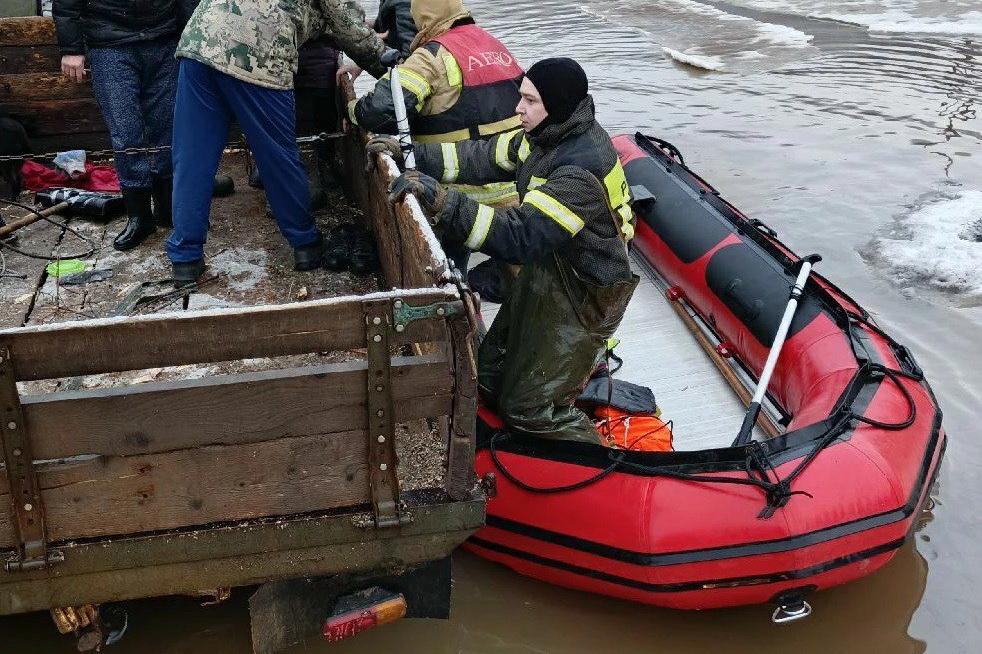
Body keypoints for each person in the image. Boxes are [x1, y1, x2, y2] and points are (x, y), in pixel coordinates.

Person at [374, 58, 639, 443]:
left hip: (586, 294)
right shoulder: (544, 135)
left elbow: (520, 236)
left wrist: (443, 202)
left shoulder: (579, 170)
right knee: (489, 373)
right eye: (521, 97)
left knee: (528, 411)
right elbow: (479, 157)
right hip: (550, 270)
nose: (518, 108)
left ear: (557, 105)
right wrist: (409, 154)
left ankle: (602, 459)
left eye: (530, 101)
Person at [165, 0, 391, 286]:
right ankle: (305, 242)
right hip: (258, 51)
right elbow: (348, 26)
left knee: (192, 157)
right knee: (277, 155)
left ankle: (185, 259)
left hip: (200, 44)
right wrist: (394, 71)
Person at [53, 0, 195, 251]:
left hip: (165, 39)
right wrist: (71, 48)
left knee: (168, 127)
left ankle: (169, 209)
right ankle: (139, 217)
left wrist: (190, 37)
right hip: (110, 43)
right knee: (126, 133)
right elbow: (66, 3)